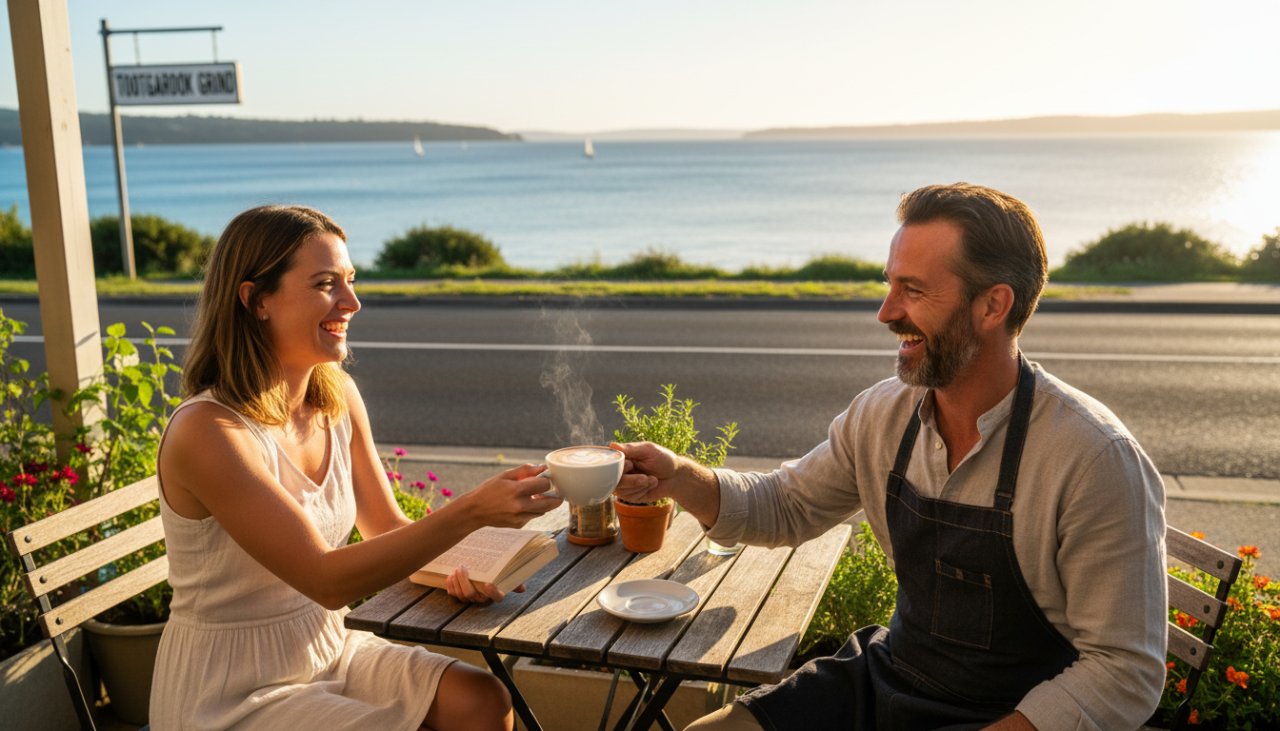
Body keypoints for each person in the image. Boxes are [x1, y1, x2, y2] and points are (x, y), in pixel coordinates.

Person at [614, 183, 1167, 731]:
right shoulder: (882, 413)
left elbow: (1124, 671)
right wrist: (678, 475)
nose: (885, 312)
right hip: (889, 676)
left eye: (914, 290)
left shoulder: (1093, 458)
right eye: (889, 285)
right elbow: (785, 505)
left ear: (993, 305)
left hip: (1012, 713)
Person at [151, 205, 561, 731]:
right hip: (231, 689)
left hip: (326, 647)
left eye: (349, 280)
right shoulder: (209, 432)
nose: (352, 302)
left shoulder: (336, 395)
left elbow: (386, 529)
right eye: (325, 284)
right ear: (256, 301)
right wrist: (472, 511)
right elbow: (326, 579)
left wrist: (468, 569)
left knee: (483, 699)